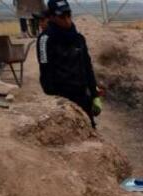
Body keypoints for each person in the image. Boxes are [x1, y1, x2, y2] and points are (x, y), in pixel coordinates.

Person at [37, 0, 102, 128]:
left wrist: (94, 95)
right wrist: (55, 99)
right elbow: (45, 70)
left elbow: (87, 67)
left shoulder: (78, 39)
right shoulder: (45, 39)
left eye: (68, 15)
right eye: (62, 16)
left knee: (89, 131)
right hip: (62, 98)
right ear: (52, 17)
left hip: (82, 96)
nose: (67, 20)